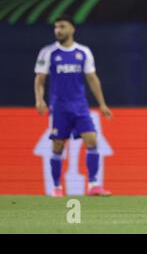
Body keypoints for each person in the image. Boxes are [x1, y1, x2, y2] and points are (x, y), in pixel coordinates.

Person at [34, 15, 113, 197]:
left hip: (80, 106)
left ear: (72, 29)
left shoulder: (83, 52)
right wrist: (39, 100)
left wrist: (102, 104)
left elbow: (92, 79)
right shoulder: (48, 53)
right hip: (59, 107)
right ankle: (56, 188)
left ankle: (93, 185)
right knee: (58, 146)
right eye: (56, 27)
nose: (58, 30)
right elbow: (40, 79)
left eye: (62, 26)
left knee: (92, 140)